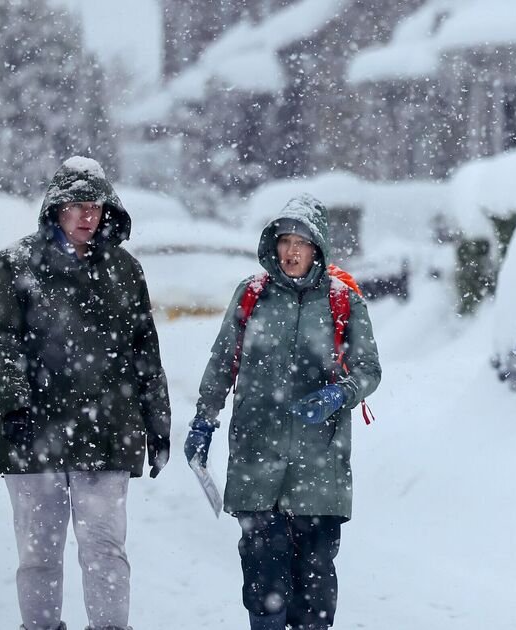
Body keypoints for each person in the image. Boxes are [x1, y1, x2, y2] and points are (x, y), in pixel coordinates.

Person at [0, 156, 171, 630]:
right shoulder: (15, 264)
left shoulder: (125, 270)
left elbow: (145, 352)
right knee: (39, 553)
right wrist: (15, 400)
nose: (87, 215)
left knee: (105, 549)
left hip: (107, 431)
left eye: (95, 206)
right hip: (31, 433)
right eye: (75, 205)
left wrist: (157, 424)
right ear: (54, 210)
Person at [185, 194, 381, 630]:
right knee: (263, 580)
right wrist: (204, 418)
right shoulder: (252, 295)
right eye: (285, 240)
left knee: (313, 588)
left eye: (302, 242)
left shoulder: (343, 302)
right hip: (257, 458)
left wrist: (339, 394)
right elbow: (222, 363)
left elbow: (369, 369)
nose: (291, 251)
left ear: (318, 248)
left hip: (320, 465)